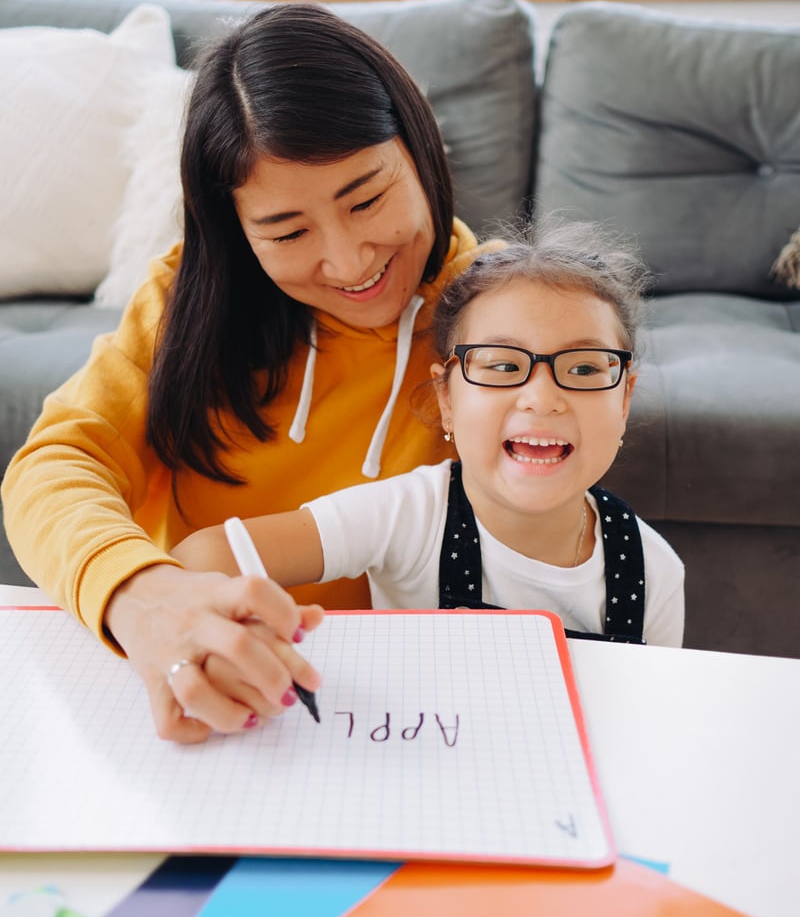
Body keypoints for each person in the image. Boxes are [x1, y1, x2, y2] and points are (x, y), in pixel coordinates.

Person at [1, 2, 494, 744]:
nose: (349, 259)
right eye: (287, 231)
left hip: (411, 704)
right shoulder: (188, 303)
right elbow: (57, 462)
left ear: (422, 153)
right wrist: (143, 595)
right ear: (236, 233)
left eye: (367, 199)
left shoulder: (501, 314)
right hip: (208, 689)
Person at [174, 224, 685, 649]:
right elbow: (204, 556)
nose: (542, 397)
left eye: (584, 368)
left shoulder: (654, 570)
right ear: (447, 399)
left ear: (623, 400)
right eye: (503, 365)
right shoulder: (409, 515)